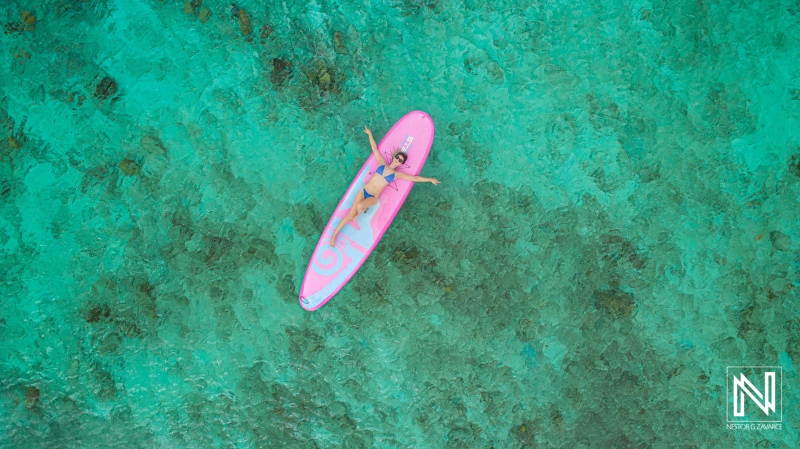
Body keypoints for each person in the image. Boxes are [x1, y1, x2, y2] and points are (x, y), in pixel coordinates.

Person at [330, 126, 440, 247]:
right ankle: (334, 236)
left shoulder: (397, 174)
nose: (397, 161)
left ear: (401, 164)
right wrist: (370, 134)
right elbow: (374, 148)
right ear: (394, 157)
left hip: (374, 197)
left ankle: (360, 213)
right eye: (397, 158)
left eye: (400, 161)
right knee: (350, 215)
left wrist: (429, 179)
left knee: (360, 206)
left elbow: (414, 178)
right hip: (364, 191)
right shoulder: (382, 163)